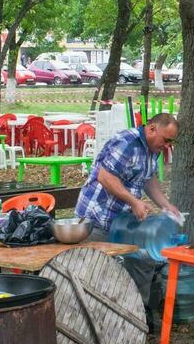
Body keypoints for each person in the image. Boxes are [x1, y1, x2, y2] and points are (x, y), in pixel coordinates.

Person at [75, 113, 182, 320]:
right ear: (152, 129)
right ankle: (94, 320)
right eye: (166, 140)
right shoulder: (126, 142)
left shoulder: (153, 149)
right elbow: (105, 177)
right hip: (97, 218)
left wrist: (166, 205)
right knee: (97, 271)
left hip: (123, 222)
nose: (168, 146)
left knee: (144, 259)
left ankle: (136, 316)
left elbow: (148, 179)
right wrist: (134, 201)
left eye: (171, 142)